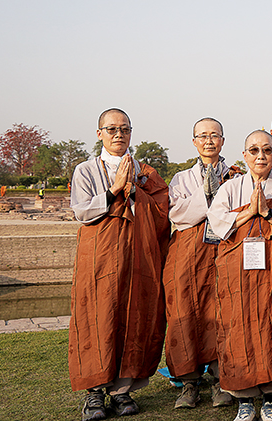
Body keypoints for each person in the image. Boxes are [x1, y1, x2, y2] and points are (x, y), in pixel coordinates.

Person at [69, 108, 169, 421]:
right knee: (97, 317)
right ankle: (95, 393)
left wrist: (137, 190)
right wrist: (115, 189)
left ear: (131, 133)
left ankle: (122, 391)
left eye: (124, 129)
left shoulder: (144, 171)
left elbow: (163, 209)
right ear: (99, 133)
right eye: (111, 129)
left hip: (136, 252)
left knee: (133, 315)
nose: (118, 135)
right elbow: (82, 211)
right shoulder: (86, 170)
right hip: (99, 254)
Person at [206, 130, 272, 421]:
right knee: (239, 335)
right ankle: (244, 400)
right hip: (239, 277)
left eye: (267, 150)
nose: (261, 156)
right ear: (244, 155)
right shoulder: (230, 188)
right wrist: (249, 212)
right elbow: (217, 225)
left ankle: (271, 400)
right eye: (254, 150)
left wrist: (267, 214)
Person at [163, 117, 235, 409]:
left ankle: (220, 379)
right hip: (187, 254)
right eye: (202, 136)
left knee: (221, 312)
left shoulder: (236, 176)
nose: (208, 141)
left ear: (223, 141)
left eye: (214, 135)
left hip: (222, 253)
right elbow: (176, 214)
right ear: (194, 142)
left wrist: (210, 203)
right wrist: (212, 201)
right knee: (184, 311)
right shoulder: (180, 178)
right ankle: (189, 383)